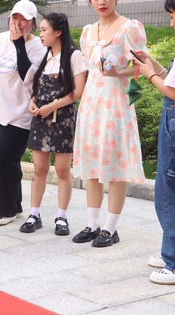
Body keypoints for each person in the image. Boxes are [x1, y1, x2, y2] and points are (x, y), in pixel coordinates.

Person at [71, 0, 147, 247]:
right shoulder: (87, 32)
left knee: (115, 165)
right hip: (92, 104)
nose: (102, 2)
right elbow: (87, 68)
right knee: (92, 163)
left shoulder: (130, 28)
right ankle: (93, 224)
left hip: (116, 104)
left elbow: (142, 66)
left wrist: (117, 72)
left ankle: (110, 228)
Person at [0, 0, 46, 225]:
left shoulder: (38, 47)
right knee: (7, 161)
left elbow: (29, 77)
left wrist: (19, 45)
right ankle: (15, 205)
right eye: (15, 17)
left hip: (19, 114)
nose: (18, 23)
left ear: (33, 23)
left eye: (24, 19)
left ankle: (2, 211)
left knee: (3, 159)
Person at [134, 0, 175, 284]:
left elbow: (174, 92)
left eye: (173, 16)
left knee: (171, 189)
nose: (171, 23)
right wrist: (152, 64)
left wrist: (149, 74)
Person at [21, 13, 87, 235]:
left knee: (62, 170)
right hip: (41, 118)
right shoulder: (46, 56)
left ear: (58, 32)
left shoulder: (74, 56)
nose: (40, 34)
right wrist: (32, 102)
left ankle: (62, 217)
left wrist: (52, 106)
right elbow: (37, 89)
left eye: (43, 30)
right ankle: (34, 214)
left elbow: (78, 91)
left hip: (63, 119)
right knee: (39, 168)